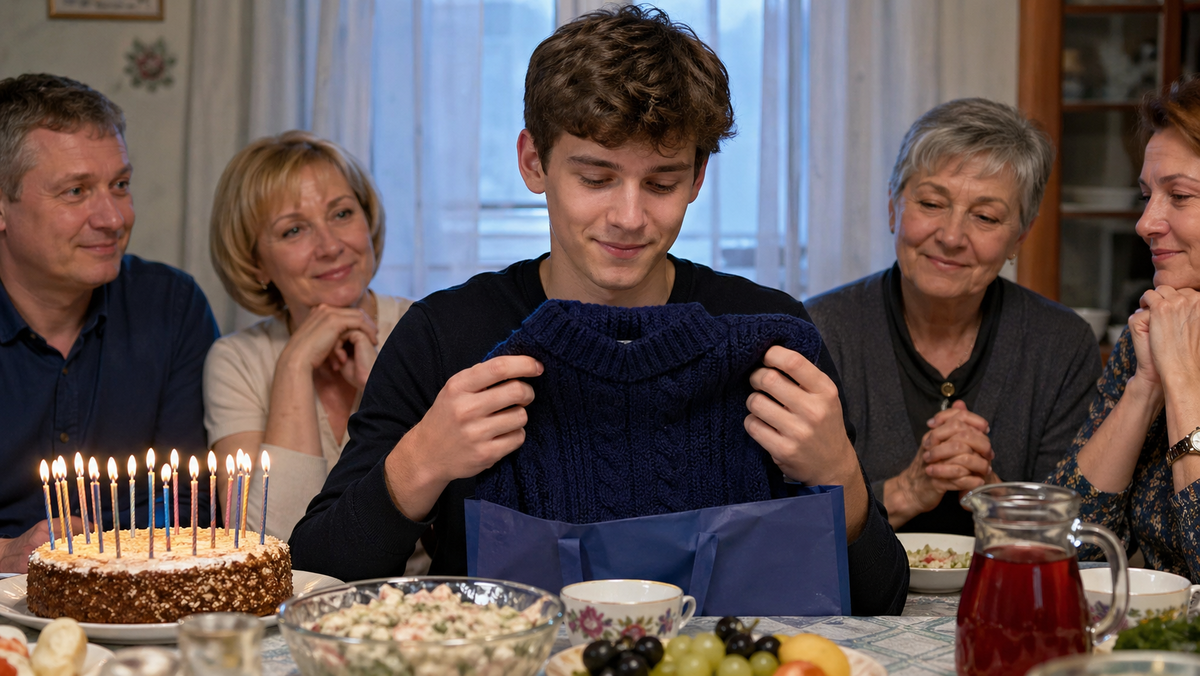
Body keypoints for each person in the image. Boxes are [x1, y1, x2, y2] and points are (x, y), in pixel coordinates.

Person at [290, 5, 908, 615]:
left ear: (698, 178)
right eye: (595, 179)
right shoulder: (443, 336)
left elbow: (881, 598)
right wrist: (421, 461)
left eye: (662, 183)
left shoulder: (771, 335)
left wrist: (839, 475)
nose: (629, 217)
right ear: (534, 162)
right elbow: (315, 576)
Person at [807, 99, 1101, 535]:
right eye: (931, 203)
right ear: (893, 207)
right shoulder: (820, 331)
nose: (950, 237)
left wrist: (991, 493)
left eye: (985, 216)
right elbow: (789, 526)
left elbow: (1080, 537)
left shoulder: (1062, 345)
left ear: (1020, 237)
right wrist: (907, 491)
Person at [0, 73, 217, 571]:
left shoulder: (170, 306)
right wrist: (7, 553)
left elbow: (191, 503)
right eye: (76, 191)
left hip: (136, 590)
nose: (113, 219)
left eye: (120, 185)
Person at [204, 131, 426, 572]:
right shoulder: (236, 361)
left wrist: (380, 389)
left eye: (342, 213)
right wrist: (294, 365)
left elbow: (449, 533)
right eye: (294, 230)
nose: (330, 246)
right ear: (256, 263)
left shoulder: (424, 329)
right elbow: (264, 555)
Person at [1048, 76, 1200, 580]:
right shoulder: (1155, 328)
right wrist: (1145, 386)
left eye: (1179, 195)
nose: (1145, 222)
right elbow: (1061, 550)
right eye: (1146, 195)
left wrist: (1182, 383)